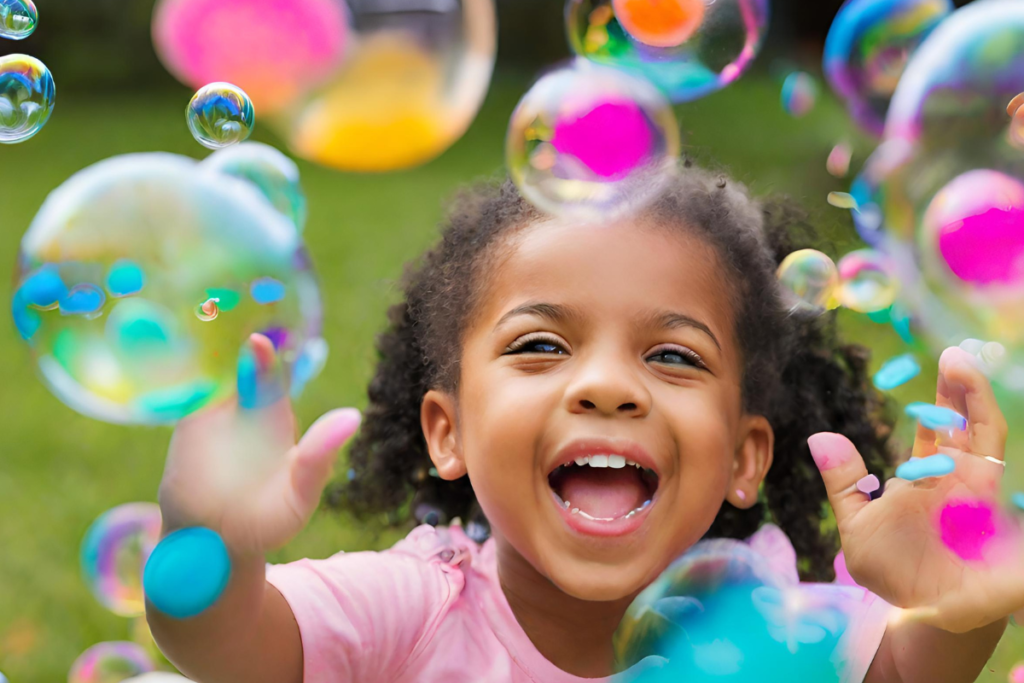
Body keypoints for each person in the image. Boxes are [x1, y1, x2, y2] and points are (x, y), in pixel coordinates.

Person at [148, 165, 1021, 683]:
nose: (607, 385)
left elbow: (905, 671)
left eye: (673, 356)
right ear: (446, 432)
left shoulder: (764, 616)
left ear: (746, 457)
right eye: (540, 344)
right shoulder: (416, 610)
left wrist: (949, 605)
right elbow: (228, 646)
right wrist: (207, 541)